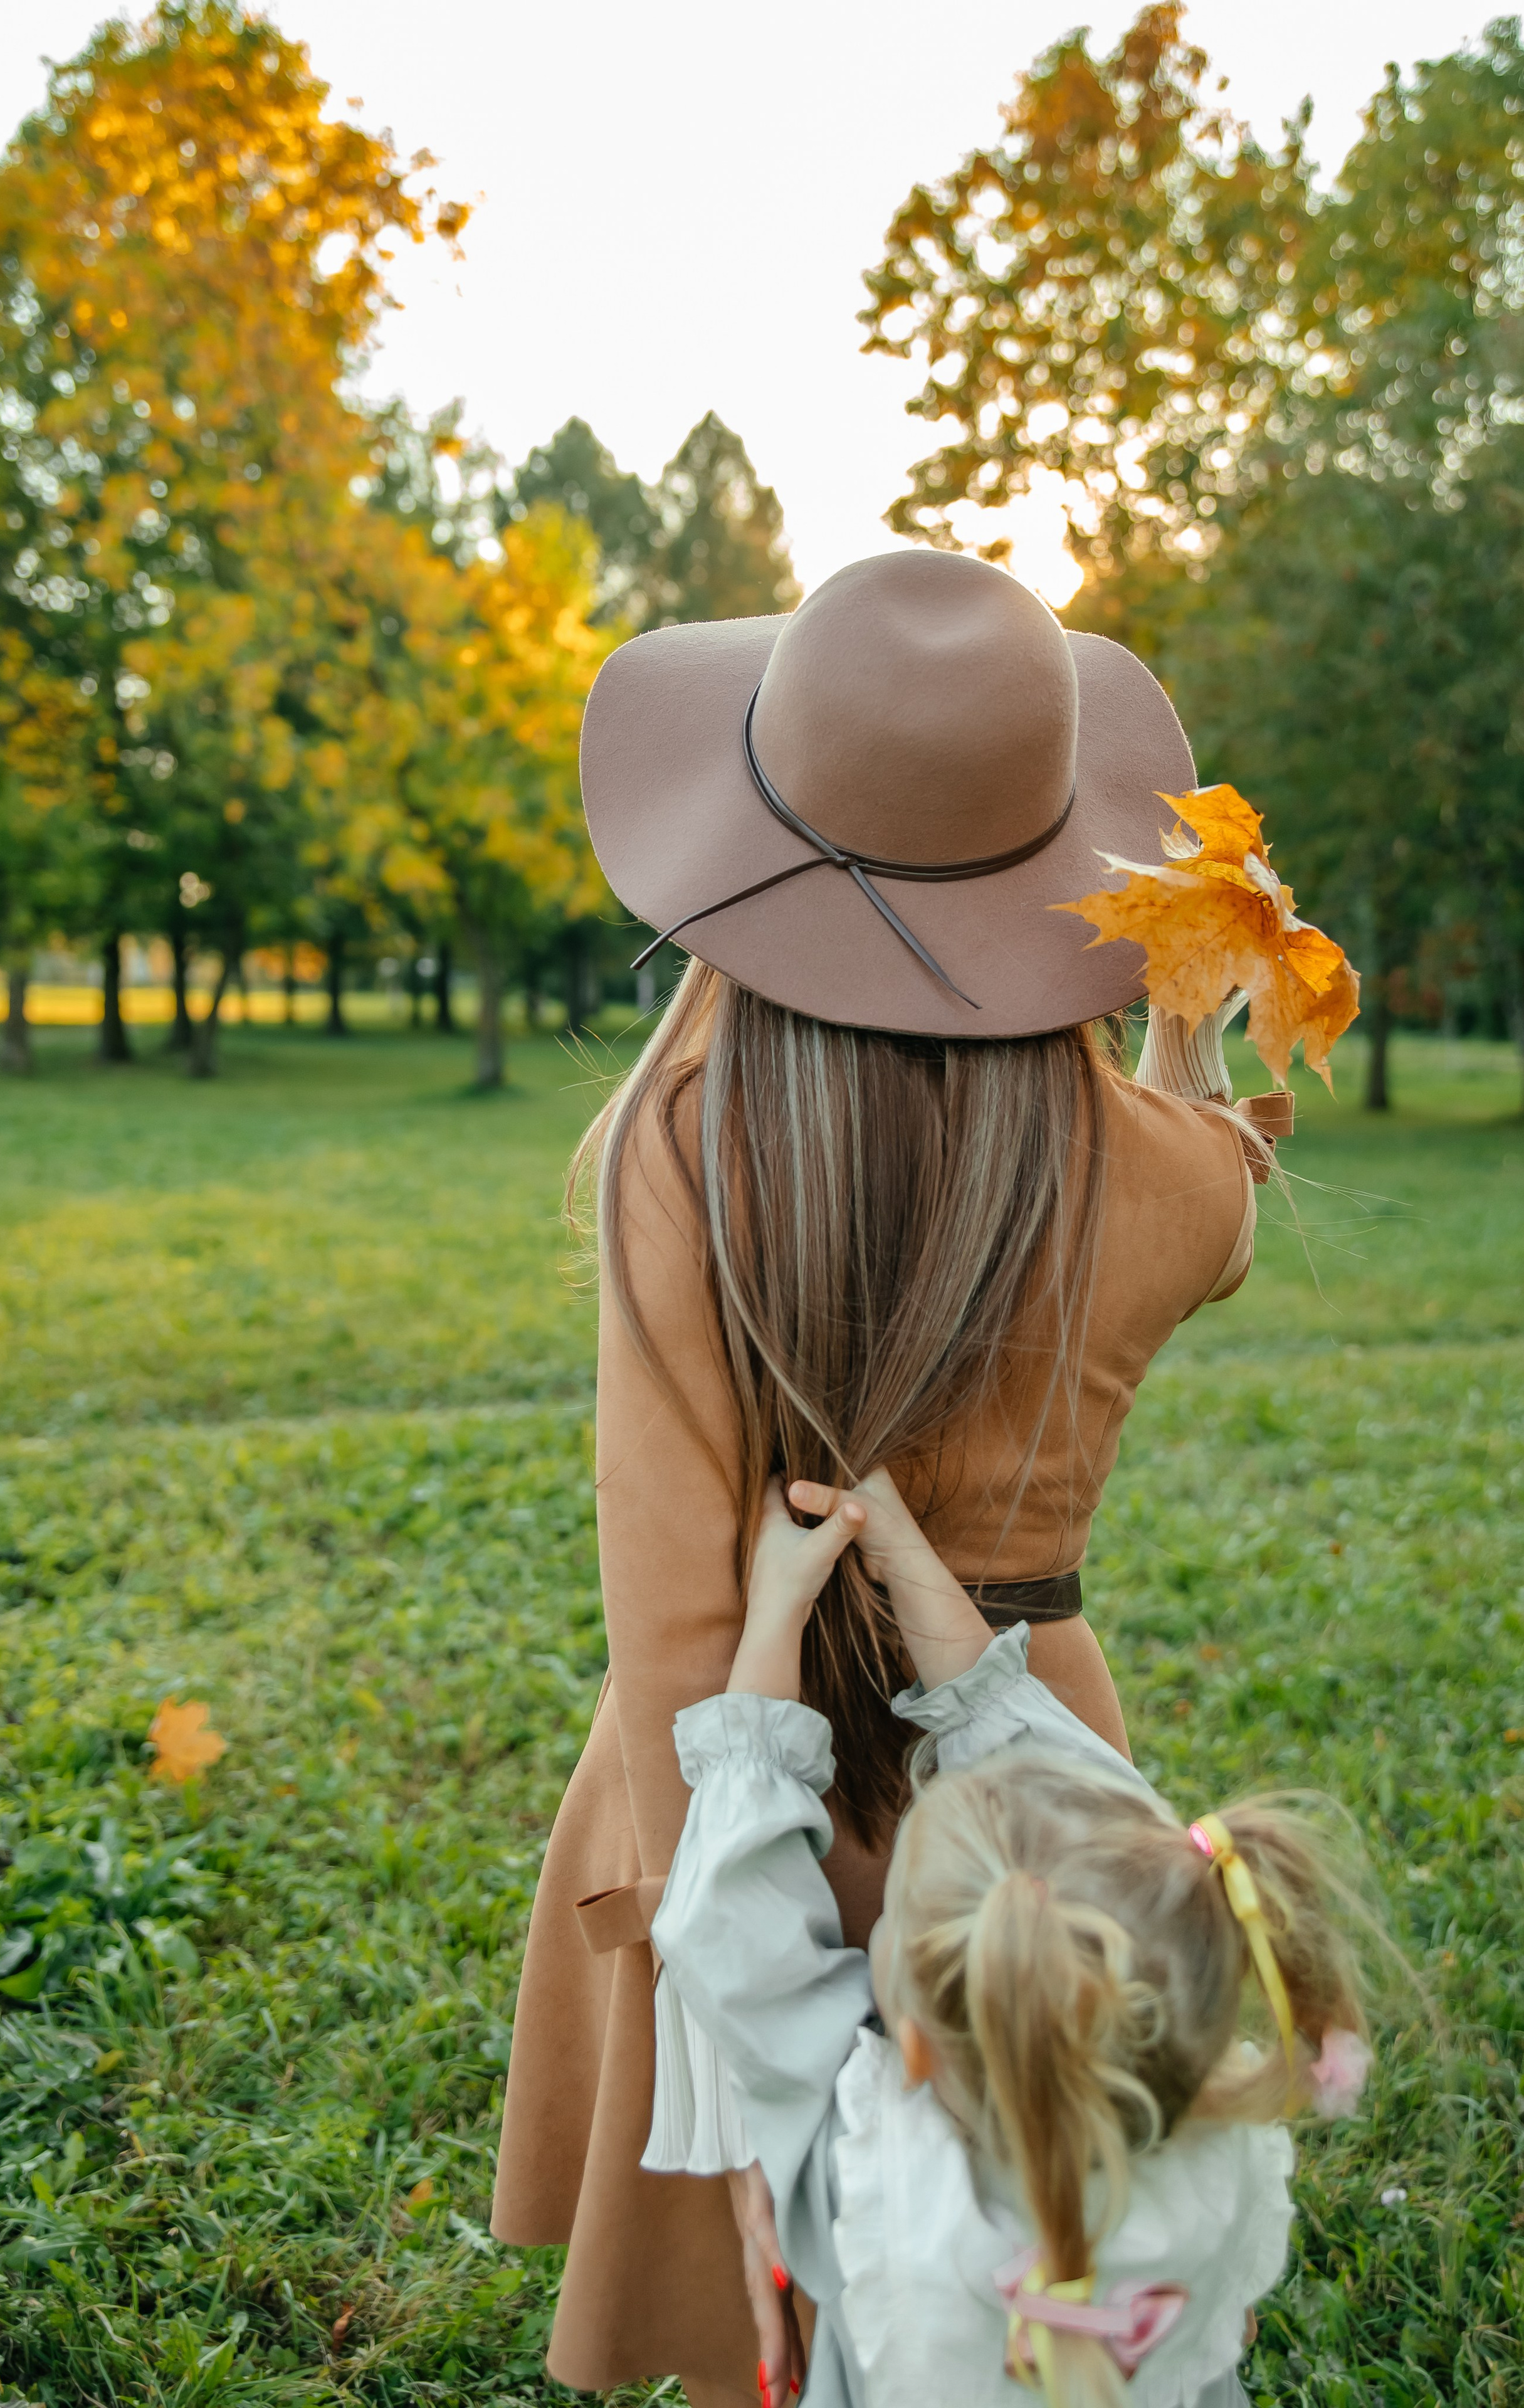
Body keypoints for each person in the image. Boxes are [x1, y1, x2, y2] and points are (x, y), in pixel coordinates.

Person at [491, 550, 1283, 2397]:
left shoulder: (672, 1151)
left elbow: (672, 1580)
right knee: (1005, 2235)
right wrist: (1177, 1042)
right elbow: (1224, 1197)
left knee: (791, 2242)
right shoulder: (1170, 1176)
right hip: (1015, 1773)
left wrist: (716, 1905)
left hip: (734, 1749)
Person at [652, 1465, 1373, 2408]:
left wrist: (777, 1611)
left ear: (908, 2043)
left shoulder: (866, 2181)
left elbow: (739, 1931)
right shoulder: (1215, 2138)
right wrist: (908, 1555)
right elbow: (1104, 1834)